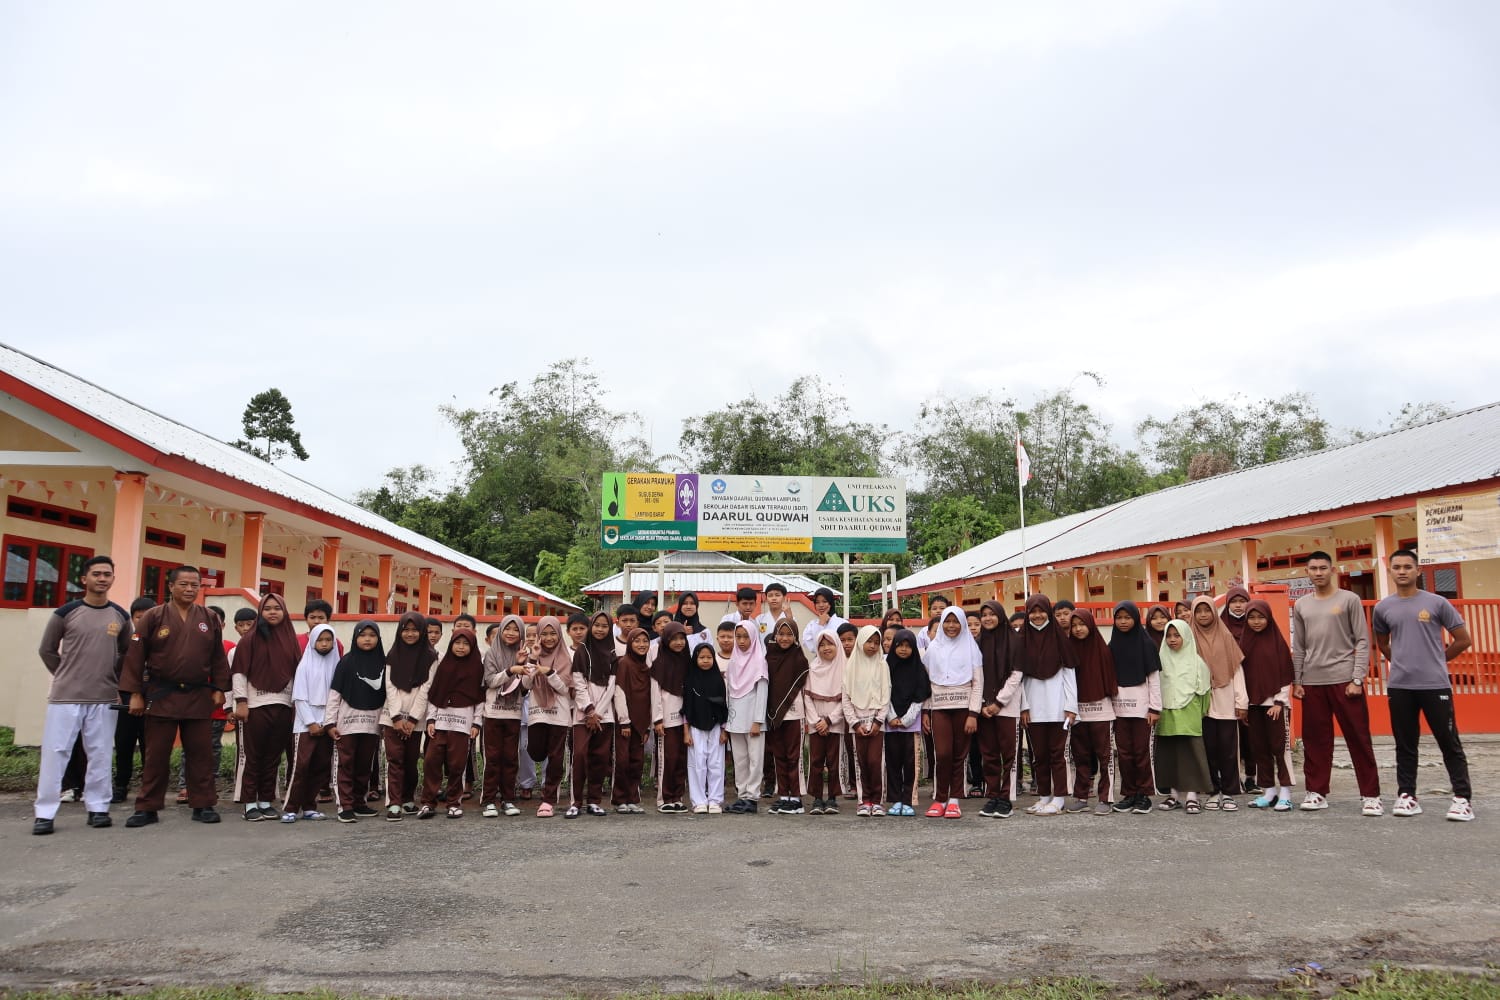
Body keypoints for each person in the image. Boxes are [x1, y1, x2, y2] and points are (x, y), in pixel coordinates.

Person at [118, 566, 231, 827]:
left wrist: (219, 690)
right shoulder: (153, 616)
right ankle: (147, 807)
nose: (190, 589)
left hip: (198, 695)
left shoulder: (209, 617)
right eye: (184, 584)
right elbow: (135, 657)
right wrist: (134, 693)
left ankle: (202, 804)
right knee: (156, 754)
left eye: (195, 585)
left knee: (201, 753)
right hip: (162, 694)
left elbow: (217, 656)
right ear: (170, 587)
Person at [33, 555, 132, 835]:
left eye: (107, 574)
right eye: (97, 574)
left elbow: (127, 653)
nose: (102, 579)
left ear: (113, 579)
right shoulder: (65, 612)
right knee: (56, 753)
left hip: (103, 697)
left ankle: (98, 808)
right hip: (65, 697)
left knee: (100, 753)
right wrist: (66, 674)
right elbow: (47, 650)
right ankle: (45, 813)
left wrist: (112, 678)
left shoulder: (120, 616)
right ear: (84, 579)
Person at [1373, 549, 1474, 822]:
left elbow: (1463, 640)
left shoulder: (1437, 603)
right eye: (1397, 567)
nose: (1402, 571)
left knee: (1448, 742)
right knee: (1405, 744)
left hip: (1435, 685)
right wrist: (1401, 662)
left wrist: (1437, 661)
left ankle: (1462, 798)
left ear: (1418, 571)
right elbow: (1382, 643)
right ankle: (1407, 795)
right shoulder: (1383, 608)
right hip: (1400, 687)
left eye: (1408, 566)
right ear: (1390, 571)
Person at [1292, 551, 1381, 815]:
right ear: (1307, 572)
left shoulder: (1349, 599)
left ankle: (1370, 795)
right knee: (1316, 741)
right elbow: (1299, 646)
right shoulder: (1302, 605)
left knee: (1358, 738)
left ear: (1332, 570)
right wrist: (1298, 680)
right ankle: (1317, 792)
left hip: (1344, 680)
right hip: (1312, 682)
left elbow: (1362, 640)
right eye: (1313, 569)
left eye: (1322, 568)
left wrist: (1357, 678)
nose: (1318, 573)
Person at [231, 593, 300, 822]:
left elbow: (296, 673)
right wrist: (241, 702)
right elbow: (239, 671)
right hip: (256, 705)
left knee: (273, 757)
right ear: (261, 612)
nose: (272, 612)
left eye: (277, 608)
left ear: (284, 611)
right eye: (267, 608)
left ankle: (266, 801)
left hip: (283, 705)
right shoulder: (250, 639)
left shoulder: (290, 638)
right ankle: (250, 803)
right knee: (254, 757)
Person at [1014, 595, 1077, 817]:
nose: (1038, 616)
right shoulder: (1021, 640)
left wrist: (1071, 707)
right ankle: (1043, 797)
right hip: (1032, 709)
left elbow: (1069, 674)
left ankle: (1059, 798)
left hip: (1059, 707)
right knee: (1038, 756)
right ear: (1027, 613)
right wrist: (1022, 707)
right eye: (1033, 611)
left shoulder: (1059, 639)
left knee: (1057, 754)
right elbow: (1017, 679)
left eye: (1042, 611)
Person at [1189, 596, 1248, 811]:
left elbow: (1236, 670)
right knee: (1208, 750)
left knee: (1229, 750)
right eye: (1199, 611)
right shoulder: (1190, 639)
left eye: (1207, 610)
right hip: (1201, 703)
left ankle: (1230, 792)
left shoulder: (1226, 637)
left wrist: (1242, 701)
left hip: (1226, 700)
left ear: (1214, 612)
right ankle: (1213, 791)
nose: (1203, 615)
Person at [922, 606, 982, 818]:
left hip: (963, 709)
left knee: (959, 754)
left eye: (956, 621)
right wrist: (926, 711)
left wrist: (973, 713)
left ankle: (955, 799)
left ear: (962, 624)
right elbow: (926, 683)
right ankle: (940, 798)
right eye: (947, 622)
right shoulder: (933, 649)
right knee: (943, 754)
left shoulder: (971, 647)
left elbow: (977, 682)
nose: (951, 626)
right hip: (939, 708)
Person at [324, 620, 385, 822]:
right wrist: (330, 723)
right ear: (355, 637)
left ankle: (360, 802)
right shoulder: (347, 662)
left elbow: (387, 695)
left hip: (372, 723)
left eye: (372, 635)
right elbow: (335, 694)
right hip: (347, 723)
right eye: (362, 635)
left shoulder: (383, 663)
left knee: (364, 766)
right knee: (346, 764)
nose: (367, 639)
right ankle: (345, 805)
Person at [418, 631, 483, 819]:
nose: (461, 647)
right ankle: (428, 802)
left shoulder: (476, 669)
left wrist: (476, 723)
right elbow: (434, 695)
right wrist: (431, 719)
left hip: (463, 725)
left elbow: (480, 700)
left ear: (472, 646)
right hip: (440, 724)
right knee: (431, 761)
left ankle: (454, 802)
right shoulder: (444, 666)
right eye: (457, 643)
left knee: (457, 764)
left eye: (465, 643)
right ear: (451, 644)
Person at [1238, 600, 1295, 812]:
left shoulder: (1277, 642)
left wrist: (1280, 701)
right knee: (1259, 749)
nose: (1256, 622)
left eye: (1260, 617)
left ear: (1269, 617)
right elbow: (1240, 675)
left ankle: (1286, 793)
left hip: (1274, 704)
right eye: (1251, 618)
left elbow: (1286, 673)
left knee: (1280, 749)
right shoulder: (1245, 642)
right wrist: (1243, 704)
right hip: (1253, 706)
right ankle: (1269, 791)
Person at [280, 623, 339, 823]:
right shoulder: (304, 665)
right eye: (320, 640)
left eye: (328, 640)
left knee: (321, 767)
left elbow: (336, 696)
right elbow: (300, 698)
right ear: (313, 641)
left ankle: (309, 807)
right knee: (301, 766)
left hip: (328, 723)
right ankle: (290, 807)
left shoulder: (336, 665)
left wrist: (328, 722)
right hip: (305, 725)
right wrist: (311, 723)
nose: (324, 644)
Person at [1108, 602, 1162, 814]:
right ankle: (1129, 794)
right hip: (1119, 710)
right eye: (1119, 618)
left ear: (1135, 619)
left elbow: (1154, 678)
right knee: (1124, 753)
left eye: (1127, 617)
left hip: (1142, 710)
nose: (1122, 622)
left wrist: (1155, 708)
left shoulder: (1146, 644)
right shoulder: (1112, 646)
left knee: (1142, 753)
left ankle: (1144, 795)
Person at [1155, 619, 1214, 815]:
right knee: (1170, 754)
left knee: (1191, 753)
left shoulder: (1196, 662)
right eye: (1169, 636)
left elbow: (1205, 691)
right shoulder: (1160, 658)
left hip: (1189, 712)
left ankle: (1191, 796)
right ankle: (1173, 795)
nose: (1172, 640)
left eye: (1177, 635)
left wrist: (1200, 711)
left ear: (1186, 636)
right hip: (1166, 712)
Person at [381, 611, 436, 820]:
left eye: (415, 630)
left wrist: (412, 719)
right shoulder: (392, 655)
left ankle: (407, 798)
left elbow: (426, 689)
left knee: (411, 759)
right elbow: (389, 687)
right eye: (406, 629)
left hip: (416, 720)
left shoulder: (431, 658)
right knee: (394, 759)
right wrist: (397, 718)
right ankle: (394, 802)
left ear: (422, 632)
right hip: (392, 718)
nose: (410, 634)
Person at [1064, 612, 1118, 815]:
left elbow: (1111, 682)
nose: (1078, 629)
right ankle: (1081, 796)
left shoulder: (1102, 650)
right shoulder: (1069, 650)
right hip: (1078, 712)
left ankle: (1106, 797)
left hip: (1101, 711)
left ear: (1090, 625)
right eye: (1074, 625)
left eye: (1082, 624)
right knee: (1080, 756)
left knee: (1105, 756)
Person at [522, 615, 573, 817]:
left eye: (553, 633)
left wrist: (549, 672)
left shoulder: (566, 656)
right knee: (535, 751)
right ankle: (546, 793)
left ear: (559, 635)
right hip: (537, 713)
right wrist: (533, 660)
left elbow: (564, 689)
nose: (549, 638)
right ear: (539, 636)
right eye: (545, 634)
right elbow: (525, 686)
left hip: (559, 714)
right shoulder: (533, 656)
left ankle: (548, 799)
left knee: (555, 757)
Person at [975, 601, 1023, 819]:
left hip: (1007, 708)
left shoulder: (1015, 640)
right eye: (984, 615)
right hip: (984, 708)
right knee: (989, 754)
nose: (987, 618)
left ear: (1001, 616)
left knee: (1009, 755)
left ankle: (1006, 798)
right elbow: (975, 674)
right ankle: (993, 795)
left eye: (991, 614)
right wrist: (983, 704)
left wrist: (998, 702)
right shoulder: (977, 643)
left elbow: (1017, 675)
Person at [570, 611, 618, 818]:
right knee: (579, 756)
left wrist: (598, 712)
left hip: (604, 716)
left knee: (600, 758)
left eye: (604, 626)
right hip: (582, 716)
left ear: (609, 629)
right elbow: (578, 683)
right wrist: (589, 710)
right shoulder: (581, 651)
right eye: (596, 625)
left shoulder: (612, 652)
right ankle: (575, 802)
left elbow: (612, 686)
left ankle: (594, 801)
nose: (600, 629)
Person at [479, 614, 527, 818]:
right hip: (493, 714)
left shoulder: (523, 653)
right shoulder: (491, 653)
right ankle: (489, 800)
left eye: (516, 630)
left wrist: (526, 664)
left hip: (513, 713)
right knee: (492, 758)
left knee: (510, 758)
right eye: (507, 628)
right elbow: (490, 681)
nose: (510, 633)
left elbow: (526, 687)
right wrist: (511, 670)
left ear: (521, 633)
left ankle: (508, 799)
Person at [112, 596, 157, 804]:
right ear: (132, 619)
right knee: (124, 746)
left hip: (154, 705)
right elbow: (115, 674)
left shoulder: (163, 647)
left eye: (149, 617)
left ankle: (150, 788)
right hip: (127, 705)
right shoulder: (126, 645)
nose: (144, 621)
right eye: (140, 617)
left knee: (152, 749)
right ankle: (121, 785)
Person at [843, 625, 889, 816]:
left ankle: (877, 801)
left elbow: (886, 695)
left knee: (876, 762)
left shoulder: (882, 665)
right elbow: (846, 698)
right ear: (861, 641)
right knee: (860, 762)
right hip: (857, 725)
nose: (872, 646)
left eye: (876, 643)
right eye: (869, 641)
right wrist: (854, 723)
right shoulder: (850, 666)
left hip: (877, 724)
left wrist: (878, 721)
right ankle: (864, 800)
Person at [764, 617, 809, 815]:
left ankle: (796, 798)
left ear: (796, 636)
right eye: (781, 634)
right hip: (774, 715)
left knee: (794, 756)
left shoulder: (800, 659)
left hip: (795, 714)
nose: (784, 638)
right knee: (779, 755)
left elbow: (805, 689)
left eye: (789, 634)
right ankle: (783, 795)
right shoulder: (768, 657)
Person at [883, 629, 930, 816]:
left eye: (907, 646)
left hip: (911, 724)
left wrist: (907, 719)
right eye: (899, 645)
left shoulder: (918, 668)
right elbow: (883, 692)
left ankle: (908, 800)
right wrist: (891, 716)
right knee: (892, 762)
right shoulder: (886, 667)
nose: (903, 650)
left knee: (910, 763)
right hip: (890, 722)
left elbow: (920, 694)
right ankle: (895, 800)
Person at [724, 621, 769, 813]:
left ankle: (752, 797)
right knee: (740, 759)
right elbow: (729, 692)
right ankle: (741, 796)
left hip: (753, 721)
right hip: (735, 719)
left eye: (746, 637)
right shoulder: (733, 661)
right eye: (738, 636)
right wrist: (728, 720)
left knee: (755, 759)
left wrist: (758, 721)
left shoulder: (759, 661)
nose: (742, 641)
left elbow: (762, 693)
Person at [803, 630, 848, 815]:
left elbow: (846, 699)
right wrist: (816, 722)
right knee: (815, 761)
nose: (825, 648)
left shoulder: (845, 669)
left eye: (829, 644)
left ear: (836, 645)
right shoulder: (813, 669)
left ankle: (832, 798)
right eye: (821, 645)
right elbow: (807, 697)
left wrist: (829, 720)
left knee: (834, 762)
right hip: (816, 725)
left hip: (835, 724)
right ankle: (817, 798)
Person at [650, 621, 693, 813]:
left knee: (682, 758)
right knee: (668, 757)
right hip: (666, 719)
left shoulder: (687, 660)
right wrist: (658, 719)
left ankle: (677, 796)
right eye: (674, 639)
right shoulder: (659, 662)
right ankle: (665, 798)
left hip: (685, 719)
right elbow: (655, 692)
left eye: (681, 638)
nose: (678, 643)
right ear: (666, 640)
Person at [683, 642, 729, 814]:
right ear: (695, 659)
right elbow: (686, 707)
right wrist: (686, 731)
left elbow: (724, 705)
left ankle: (715, 800)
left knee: (716, 764)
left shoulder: (718, 680)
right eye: (701, 657)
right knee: (697, 764)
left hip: (716, 726)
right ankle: (699, 801)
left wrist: (724, 730)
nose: (705, 661)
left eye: (709, 657)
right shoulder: (690, 680)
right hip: (695, 727)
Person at [612, 628, 653, 814]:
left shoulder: (646, 666)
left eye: (645, 641)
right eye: (637, 641)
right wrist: (624, 721)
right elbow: (619, 692)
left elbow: (650, 697)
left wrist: (648, 727)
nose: (642, 644)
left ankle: (632, 799)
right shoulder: (624, 663)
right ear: (630, 643)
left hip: (642, 723)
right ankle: (620, 799)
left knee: (637, 762)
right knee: (622, 761)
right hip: (626, 723)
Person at [800, 588, 848, 655]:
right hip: (820, 662)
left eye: (824, 601)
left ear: (831, 603)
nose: (821, 605)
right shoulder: (811, 625)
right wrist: (821, 624)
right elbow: (814, 647)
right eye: (817, 602)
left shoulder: (843, 623)